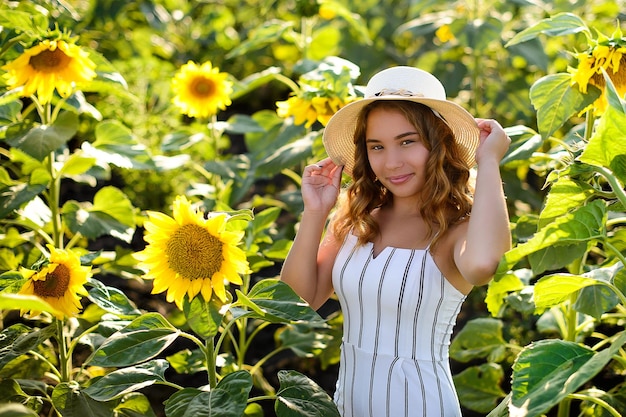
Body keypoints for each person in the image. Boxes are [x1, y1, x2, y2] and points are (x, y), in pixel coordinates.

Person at [280, 66, 511, 417]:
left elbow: (482, 267)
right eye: (377, 146)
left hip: (420, 404)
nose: (392, 162)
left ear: (438, 142)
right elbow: (298, 303)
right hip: (348, 405)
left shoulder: (456, 228)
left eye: (407, 141)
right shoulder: (356, 218)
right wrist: (315, 212)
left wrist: (490, 162)